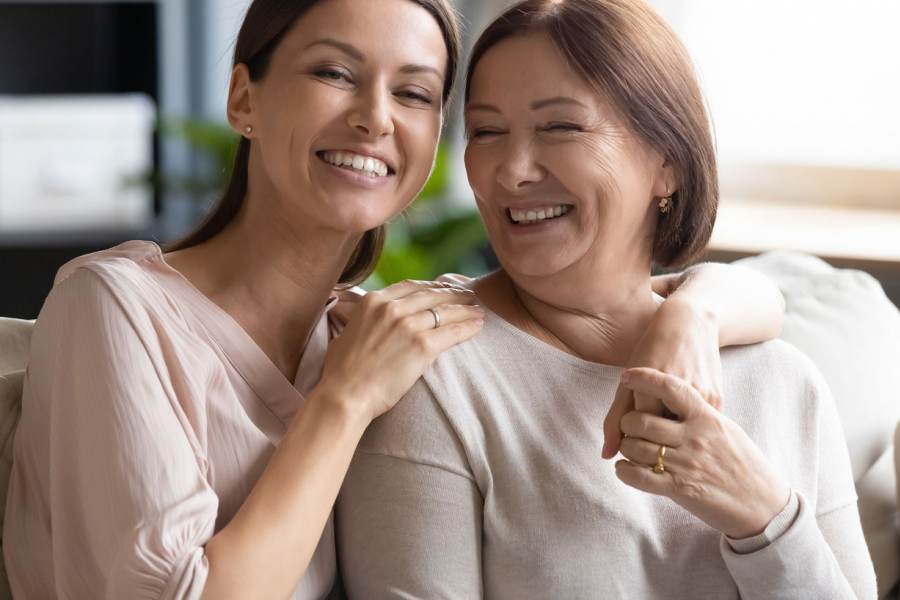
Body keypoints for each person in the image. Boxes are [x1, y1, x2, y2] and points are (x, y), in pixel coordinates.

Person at [4, 0, 784, 598]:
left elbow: (778, 295)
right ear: (244, 99)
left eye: (414, 94)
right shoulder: (113, 307)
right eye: (334, 73)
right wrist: (342, 400)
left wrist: (691, 314)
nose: (375, 118)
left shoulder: (381, 324)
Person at [335, 1, 877, 598]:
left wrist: (764, 517)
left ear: (666, 164)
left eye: (561, 127)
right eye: (487, 131)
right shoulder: (430, 371)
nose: (511, 171)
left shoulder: (784, 382)